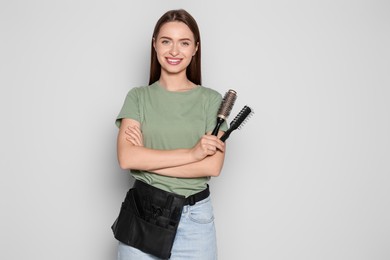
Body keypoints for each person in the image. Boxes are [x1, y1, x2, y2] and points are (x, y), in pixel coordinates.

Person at [113, 9, 228, 260]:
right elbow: (126, 158)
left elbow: (213, 166)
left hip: (195, 221)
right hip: (143, 214)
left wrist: (146, 162)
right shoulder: (138, 97)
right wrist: (192, 154)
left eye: (184, 43)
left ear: (196, 48)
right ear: (154, 44)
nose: (174, 51)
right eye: (166, 41)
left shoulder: (211, 101)